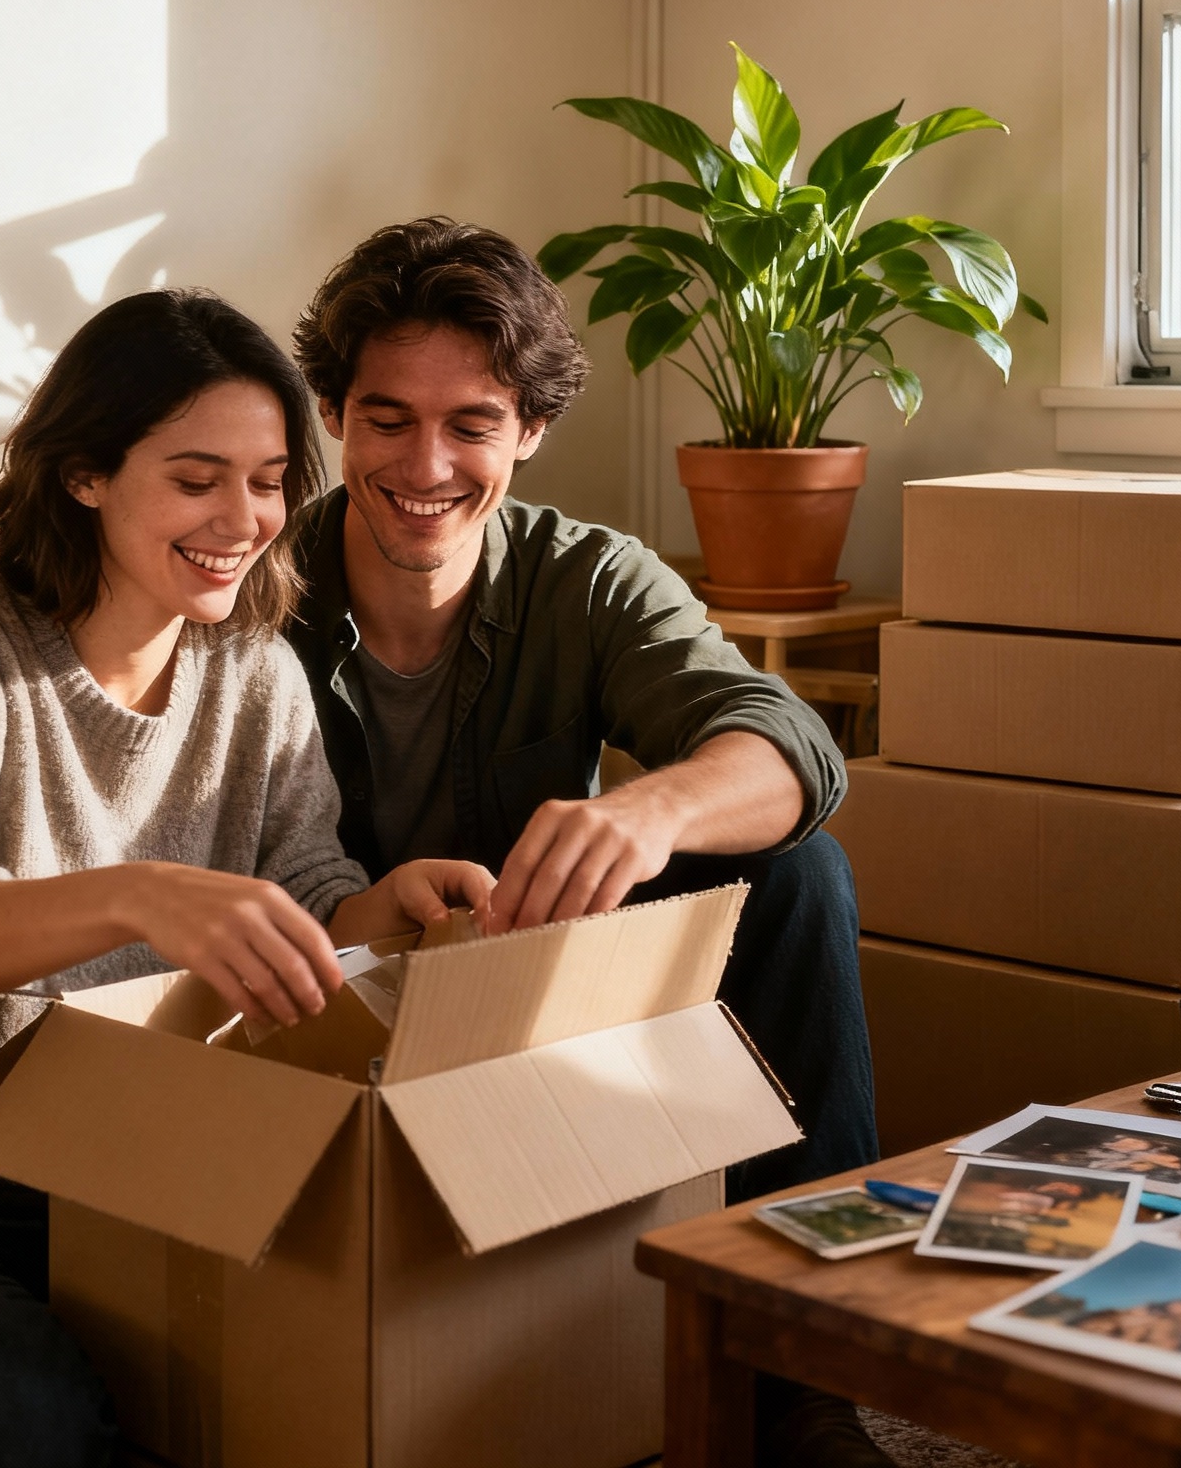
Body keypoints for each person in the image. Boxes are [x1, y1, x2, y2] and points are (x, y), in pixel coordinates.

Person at [0, 290, 493, 1468]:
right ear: (84, 471)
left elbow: (305, 887)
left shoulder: (254, 674)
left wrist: (378, 908)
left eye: (267, 480)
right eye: (195, 479)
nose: (242, 518)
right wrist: (138, 893)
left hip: (134, 1189)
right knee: (19, 1425)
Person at [286, 217, 888, 1468]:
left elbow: (791, 745)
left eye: (471, 422)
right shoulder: (248, 582)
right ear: (333, 414)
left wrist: (646, 809)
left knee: (796, 872)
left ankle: (800, 1380)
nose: (424, 463)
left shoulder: (589, 577)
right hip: (312, 998)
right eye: (386, 418)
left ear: (531, 427)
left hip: (530, 992)